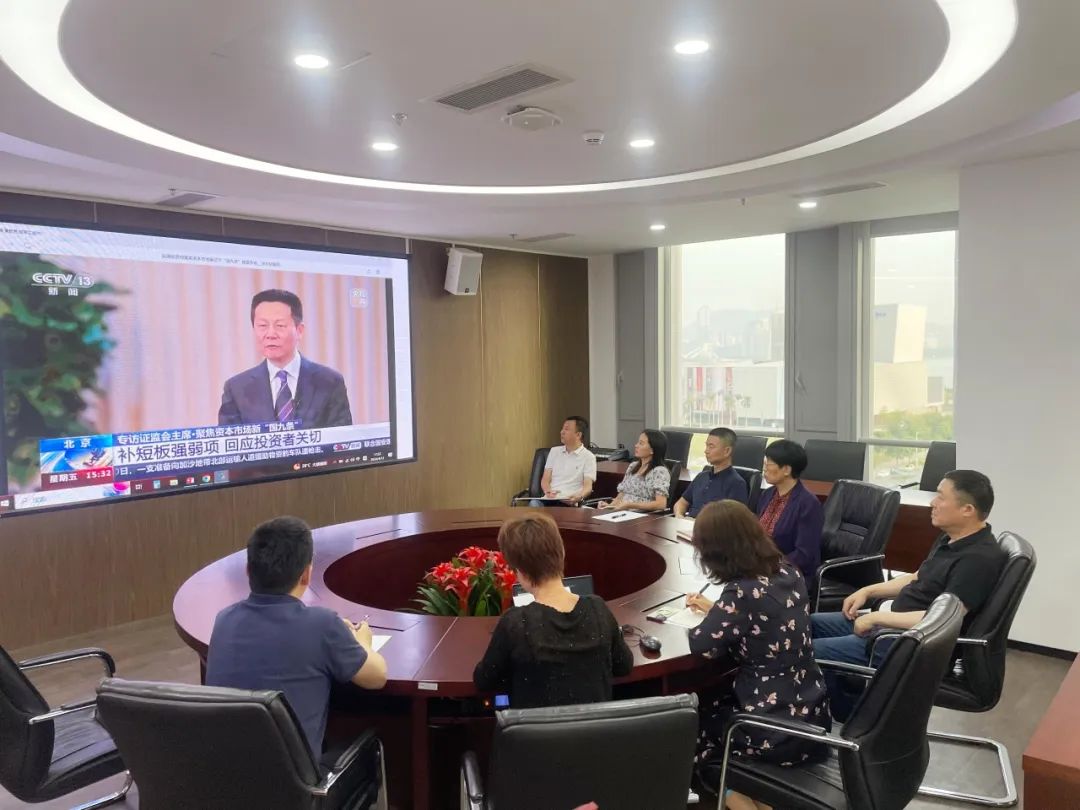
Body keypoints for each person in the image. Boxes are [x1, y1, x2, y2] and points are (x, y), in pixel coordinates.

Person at [205, 516, 387, 762]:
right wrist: (362, 641)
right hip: (295, 783)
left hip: (225, 773)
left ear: (248, 570)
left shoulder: (224, 620)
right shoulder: (322, 624)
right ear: (306, 575)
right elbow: (377, 677)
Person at [687, 500, 830, 810]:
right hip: (813, 718)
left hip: (769, 729)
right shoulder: (788, 570)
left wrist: (717, 614)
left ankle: (738, 796)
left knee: (691, 730)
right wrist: (720, 611)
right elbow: (766, 620)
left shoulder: (741, 591)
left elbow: (702, 644)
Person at [812, 470, 1006, 668]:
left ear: (967, 509)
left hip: (908, 643)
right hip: (892, 627)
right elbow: (917, 577)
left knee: (805, 652)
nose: (933, 503)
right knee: (808, 624)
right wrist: (867, 591)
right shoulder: (952, 538)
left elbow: (943, 619)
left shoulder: (977, 560)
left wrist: (876, 617)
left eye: (941, 497)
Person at [473, 512, 634, 708]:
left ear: (518, 571)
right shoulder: (598, 608)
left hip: (534, 728)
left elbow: (484, 680)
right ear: (562, 553)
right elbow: (624, 666)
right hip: (595, 728)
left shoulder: (514, 623)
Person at [218, 289, 353, 429]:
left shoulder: (329, 382)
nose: (270, 334)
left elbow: (342, 439)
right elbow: (228, 440)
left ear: (299, 331)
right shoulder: (237, 389)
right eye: (262, 326)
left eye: (280, 325)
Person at [755, 440, 824, 581]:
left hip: (790, 574)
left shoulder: (808, 504)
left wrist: (768, 566)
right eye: (764, 463)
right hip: (762, 567)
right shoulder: (767, 494)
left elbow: (804, 555)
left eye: (769, 464)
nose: (764, 469)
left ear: (786, 470)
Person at [674, 427, 749, 518]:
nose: (706, 451)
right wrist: (679, 516)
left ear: (727, 451)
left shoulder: (736, 483)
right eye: (706, 446)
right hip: (689, 523)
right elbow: (681, 503)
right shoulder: (701, 477)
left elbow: (733, 519)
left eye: (711, 447)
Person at [596, 429, 671, 512]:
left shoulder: (660, 471)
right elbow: (621, 495)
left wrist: (630, 505)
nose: (636, 445)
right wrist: (609, 506)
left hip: (641, 516)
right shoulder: (633, 466)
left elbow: (661, 504)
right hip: (622, 513)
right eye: (638, 442)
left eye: (641, 443)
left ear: (652, 450)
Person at [532, 416, 597, 506]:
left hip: (569, 502)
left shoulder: (589, 457)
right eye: (562, 429)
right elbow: (545, 479)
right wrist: (548, 491)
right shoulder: (554, 451)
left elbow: (588, 487)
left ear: (578, 435)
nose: (561, 432)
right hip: (550, 499)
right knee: (534, 504)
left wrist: (579, 497)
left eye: (566, 429)